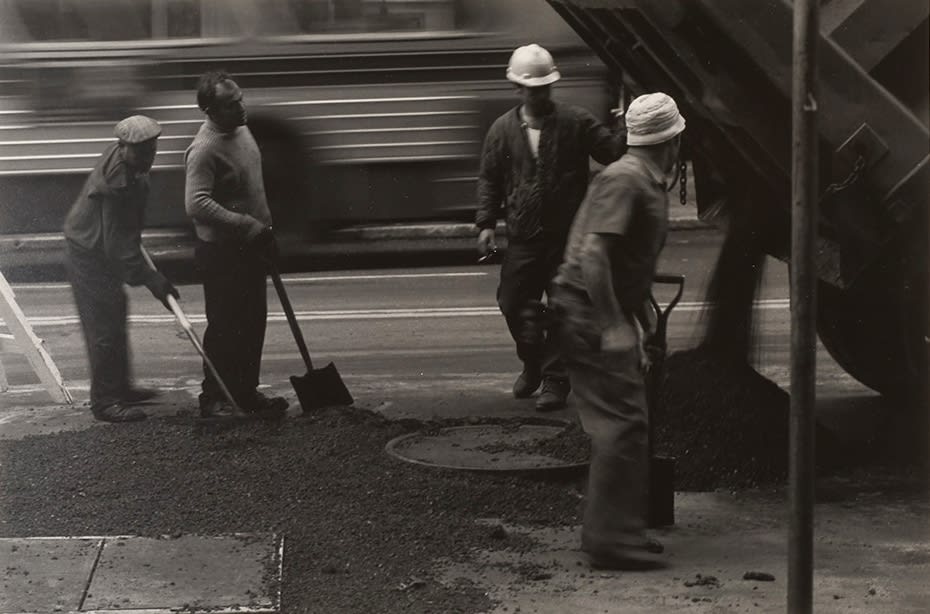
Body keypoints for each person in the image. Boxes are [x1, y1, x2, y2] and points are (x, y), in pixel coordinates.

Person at [550, 92, 685, 570]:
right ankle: (610, 540)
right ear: (673, 138)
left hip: (596, 311)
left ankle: (613, 530)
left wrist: (640, 321)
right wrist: (613, 326)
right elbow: (593, 255)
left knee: (625, 421)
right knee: (623, 423)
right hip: (585, 313)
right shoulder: (626, 179)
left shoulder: (644, 179)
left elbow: (629, 263)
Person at [476, 43, 625, 411]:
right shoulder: (501, 130)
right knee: (512, 302)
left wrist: (627, 116)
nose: (540, 94)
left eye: (545, 88)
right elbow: (490, 179)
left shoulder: (576, 122)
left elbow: (611, 151)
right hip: (524, 239)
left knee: (562, 307)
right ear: (518, 89)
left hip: (566, 239)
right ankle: (532, 362)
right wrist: (486, 224)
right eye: (532, 89)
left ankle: (556, 381)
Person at [185, 70, 288, 419]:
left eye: (241, 98)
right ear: (211, 111)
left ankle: (245, 392)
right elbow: (196, 203)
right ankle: (213, 398)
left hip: (251, 244)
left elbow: (251, 185)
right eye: (231, 104)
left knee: (253, 320)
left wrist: (266, 230)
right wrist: (245, 224)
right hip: (222, 253)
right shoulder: (205, 148)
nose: (241, 108)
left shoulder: (241, 129)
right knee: (226, 326)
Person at [64, 115, 179, 423]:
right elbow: (117, 249)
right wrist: (153, 279)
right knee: (104, 325)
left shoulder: (129, 164)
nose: (148, 157)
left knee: (116, 311)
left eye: (152, 149)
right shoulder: (119, 181)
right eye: (140, 151)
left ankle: (121, 388)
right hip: (88, 253)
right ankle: (105, 402)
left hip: (97, 245)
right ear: (123, 147)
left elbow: (123, 234)